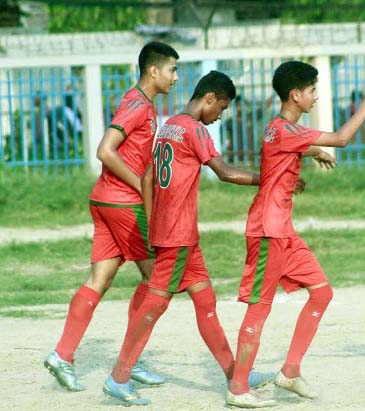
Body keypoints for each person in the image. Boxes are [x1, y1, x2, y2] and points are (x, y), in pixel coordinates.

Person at [102, 71, 293, 406]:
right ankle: (118, 377)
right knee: (156, 304)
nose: (221, 115)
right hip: (177, 235)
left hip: (178, 234)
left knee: (206, 303)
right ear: (209, 98)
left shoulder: (169, 124)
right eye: (221, 107)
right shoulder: (194, 129)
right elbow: (225, 172)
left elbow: (147, 176)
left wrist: (152, 222)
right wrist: (270, 178)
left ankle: (237, 374)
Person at [225, 61, 365, 408]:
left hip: (283, 231)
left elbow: (279, 153)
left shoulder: (278, 127)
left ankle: (290, 371)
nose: (315, 96)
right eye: (312, 90)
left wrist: (311, 151)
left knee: (322, 293)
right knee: (259, 309)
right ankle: (238, 388)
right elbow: (342, 138)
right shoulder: (285, 130)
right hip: (268, 231)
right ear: (295, 95)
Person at [44, 41, 180, 392]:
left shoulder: (142, 103)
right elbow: (105, 151)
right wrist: (141, 186)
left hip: (104, 201)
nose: (175, 77)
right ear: (154, 71)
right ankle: (128, 363)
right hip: (124, 204)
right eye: (172, 70)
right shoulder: (136, 104)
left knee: (99, 280)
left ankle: (62, 355)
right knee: (157, 282)